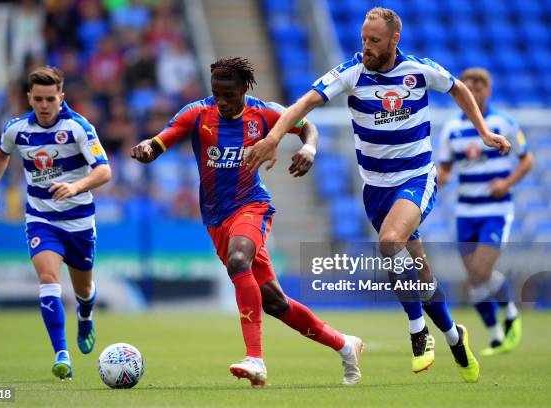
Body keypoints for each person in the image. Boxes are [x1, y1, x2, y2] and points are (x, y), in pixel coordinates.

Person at [244, 7, 513, 383]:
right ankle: (454, 337)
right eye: (363, 40)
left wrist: (483, 132)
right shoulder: (351, 72)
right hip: (376, 189)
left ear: (394, 40)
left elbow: (459, 88)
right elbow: (304, 103)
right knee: (421, 277)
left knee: (389, 242)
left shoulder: (418, 70)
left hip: (416, 178)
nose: (367, 47)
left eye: (375, 41)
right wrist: (274, 138)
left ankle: (418, 332)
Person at [131, 57, 363, 387]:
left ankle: (255, 358)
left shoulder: (264, 113)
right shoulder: (197, 114)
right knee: (274, 302)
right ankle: (344, 344)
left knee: (239, 259)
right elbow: (160, 141)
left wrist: (309, 149)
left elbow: (307, 126)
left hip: (252, 206)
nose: (221, 102)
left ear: (243, 89)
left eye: (228, 95)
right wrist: (146, 149)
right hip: (216, 218)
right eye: (216, 94)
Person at [0, 66, 111, 380]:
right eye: (38, 99)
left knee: (83, 289)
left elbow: (104, 170)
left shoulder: (79, 127)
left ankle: (85, 312)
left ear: (60, 97)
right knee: (48, 278)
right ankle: (61, 353)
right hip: (41, 218)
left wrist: (76, 186)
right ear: (29, 98)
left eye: (50, 99)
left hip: (79, 219)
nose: (44, 105)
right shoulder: (16, 129)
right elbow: (1, 154)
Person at [437, 68, 532, 356]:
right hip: (465, 210)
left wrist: (507, 183)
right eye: (469, 86)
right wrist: (441, 177)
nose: (475, 91)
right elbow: (446, 167)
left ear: (488, 91)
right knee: (475, 279)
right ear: (462, 92)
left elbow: (526, 160)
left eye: (480, 86)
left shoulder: (503, 124)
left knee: (480, 272)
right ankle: (495, 336)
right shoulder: (452, 130)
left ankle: (511, 313)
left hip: (495, 210)